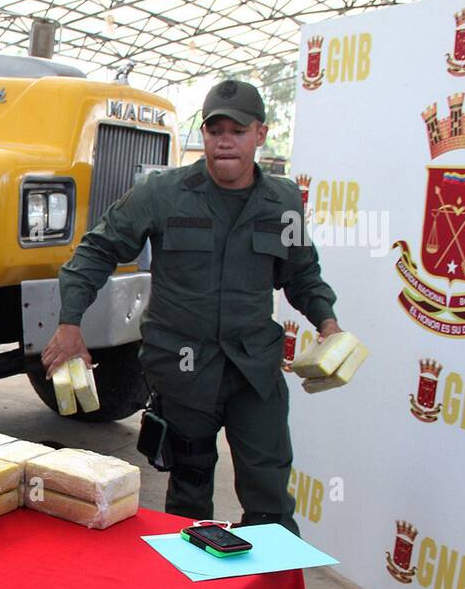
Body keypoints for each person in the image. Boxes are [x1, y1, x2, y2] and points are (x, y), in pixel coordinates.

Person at [42, 79, 340, 535]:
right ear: (202, 135)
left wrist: (328, 323)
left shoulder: (282, 202)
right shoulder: (162, 193)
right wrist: (70, 324)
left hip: (253, 372)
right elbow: (96, 251)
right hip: (184, 371)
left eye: (238, 131)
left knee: (270, 496)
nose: (224, 140)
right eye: (214, 129)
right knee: (190, 493)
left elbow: (301, 273)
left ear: (260, 134)